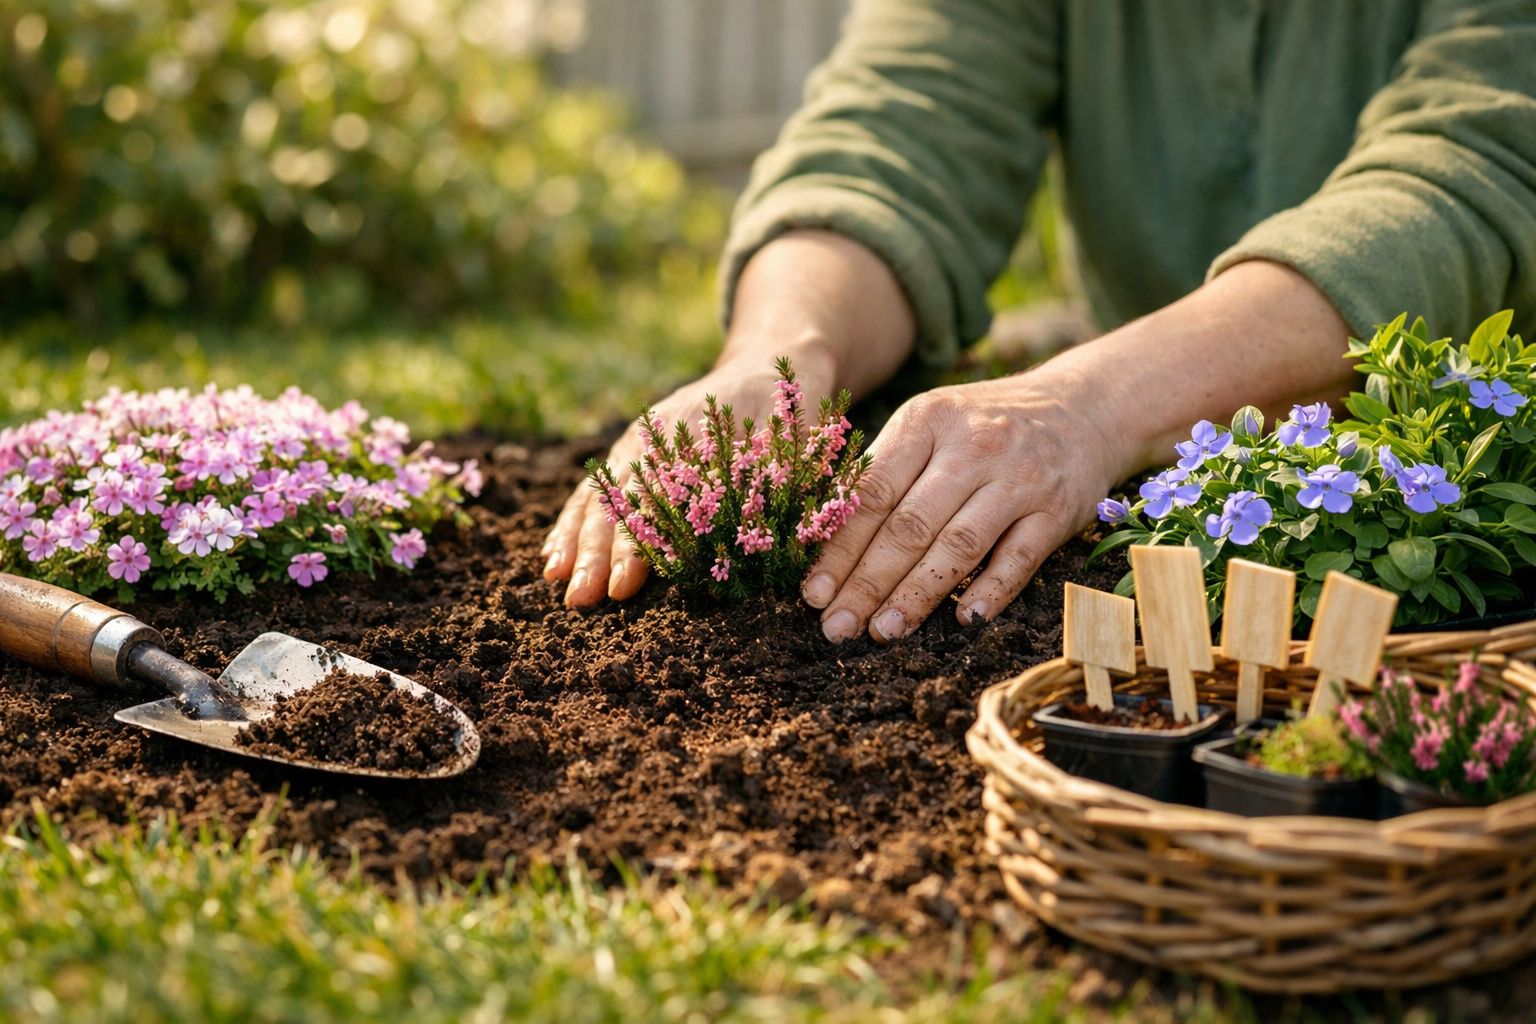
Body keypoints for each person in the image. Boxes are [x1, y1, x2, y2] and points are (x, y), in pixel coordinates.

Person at [544, 0, 1536, 643]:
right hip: (1162, 465)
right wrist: (783, 352)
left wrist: (1088, 405)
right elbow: (898, 132)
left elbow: (1474, 173)